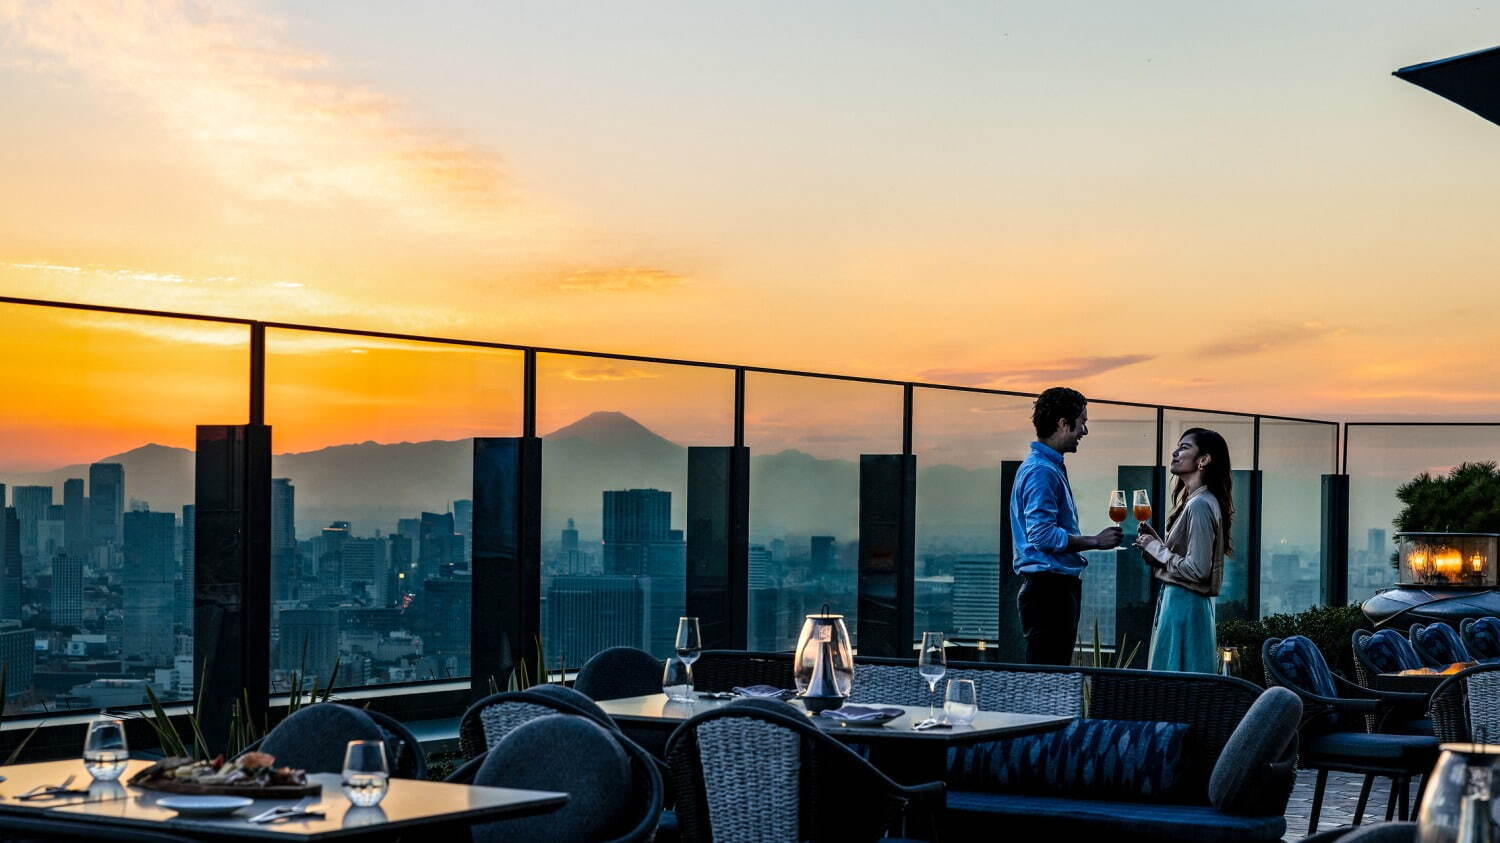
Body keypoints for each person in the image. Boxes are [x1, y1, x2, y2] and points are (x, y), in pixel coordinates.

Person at [1011, 387, 1123, 665]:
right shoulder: (1042, 471)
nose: (1084, 430)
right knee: (1048, 680)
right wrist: (1094, 542)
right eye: (1082, 422)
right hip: (1049, 592)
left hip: (1049, 590)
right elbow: (1042, 535)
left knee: (1048, 675)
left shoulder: (1045, 466)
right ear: (1063, 423)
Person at [1135, 427, 1232, 673]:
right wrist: (1159, 545)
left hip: (1184, 608)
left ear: (1204, 460)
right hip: (1182, 605)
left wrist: (1159, 551)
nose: (1176, 453)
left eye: (1184, 447)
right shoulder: (1197, 501)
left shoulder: (1199, 504)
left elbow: (1198, 569)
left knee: (1176, 685)